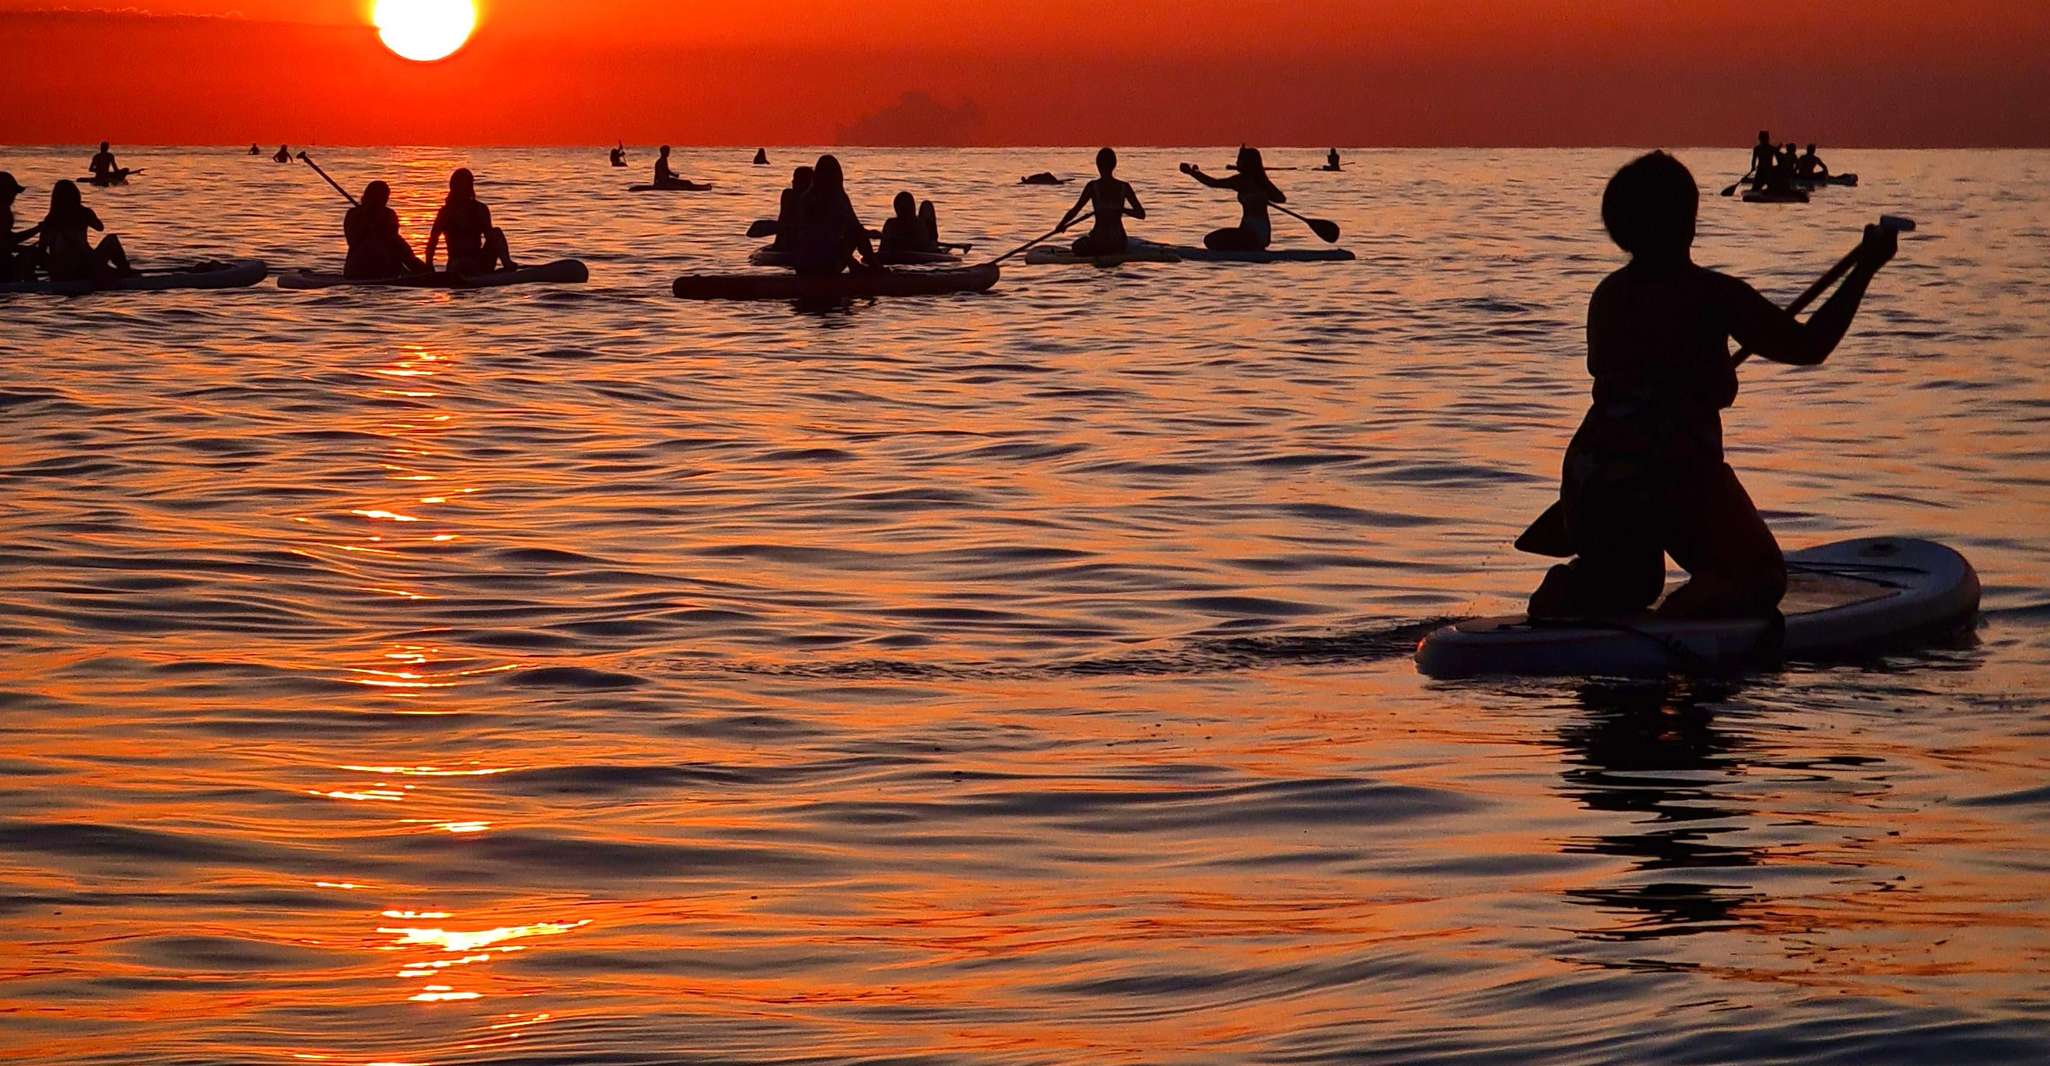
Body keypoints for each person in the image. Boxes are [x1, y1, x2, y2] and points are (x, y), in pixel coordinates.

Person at [1521, 151, 1897, 620]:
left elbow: (1632, 373)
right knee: (1761, 578)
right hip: (1674, 472)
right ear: (1689, 222)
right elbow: (1808, 346)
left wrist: (1707, 377)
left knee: (1634, 583)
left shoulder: (1608, 296)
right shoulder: (1714, 296)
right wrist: (1865, 268)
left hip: (1593, 475)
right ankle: (1680, 619)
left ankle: (1575, 589)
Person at [1181, 146, 1284, 252]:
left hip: (1253, 235)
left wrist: (1192, 173)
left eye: (1239, 160)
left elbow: (1213, 183)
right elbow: (1279, 198)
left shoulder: (1242, 180)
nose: (1237, 162)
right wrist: (1262, 196)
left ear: (1246, 163)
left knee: (1210, 240)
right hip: (1260, 233)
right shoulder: (1260, 180)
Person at [783, 154, 872, 276]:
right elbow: (852, 228)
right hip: (826, 264)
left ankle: (858, 265)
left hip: (802, 265)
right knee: (855, 232)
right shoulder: (838, 198)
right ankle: (872, 265)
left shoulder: (805, 198)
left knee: (852, 232)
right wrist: (867, 234)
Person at [36, 179, 134, 282]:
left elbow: (42, 249)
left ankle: (118, 272)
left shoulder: (51, 219)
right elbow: (100, 227)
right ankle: (125, 271)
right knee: (112, 239)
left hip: (66, 268)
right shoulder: (83, 213)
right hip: (83, 265)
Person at [425, 168, 518, 277]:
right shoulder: (446, 213)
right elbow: (433, 241)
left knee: (496, 232)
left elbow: (490, 237)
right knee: (463, 264)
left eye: (467, 184)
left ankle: (507, 265)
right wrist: (429, 267)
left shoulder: (480, 209)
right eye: (461, 185)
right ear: (453, 187)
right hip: (457, 264)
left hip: (479, 262)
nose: (464, 188)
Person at [1057, 147, 1147, 256]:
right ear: (1114, 165)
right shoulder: (1124, 187)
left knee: (1076, 246)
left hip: (1099, 242)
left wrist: (1062, 224)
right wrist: (1122, 210)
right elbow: (1141, 214)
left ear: (1098, 165)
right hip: (1118, 242)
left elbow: (1075, 210)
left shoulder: (1092, 186)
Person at [343, 180, 427, 279]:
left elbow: (394, 239)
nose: (386, 199)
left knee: (402, 251)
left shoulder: (388, 214)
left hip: (384, 264)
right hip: (360, 266)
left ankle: (418, 271)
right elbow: (352, 240)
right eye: (384, 196)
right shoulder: (354, 215)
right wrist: (367, 226)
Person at [2, 172, 43, 281]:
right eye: (12, 192)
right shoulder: (3, 212)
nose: (14, 196)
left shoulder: (5, 211)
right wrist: (38, 229)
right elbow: (9, 241)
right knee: (31, 254)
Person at [878, 191, 942, 258]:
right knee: (927, 207)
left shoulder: (891, 223)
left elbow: (923, 245)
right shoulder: (891, 224)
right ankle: (933, 242)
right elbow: (883, 248)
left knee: (926, 205)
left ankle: (933, 241)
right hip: (919, 248)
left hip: (921, 247)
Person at [768, 165, 814, 251]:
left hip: (795, 242)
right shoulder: (789, 195)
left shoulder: (788, 195)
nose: (792, 181)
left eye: (795, 179)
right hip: (797, 242)